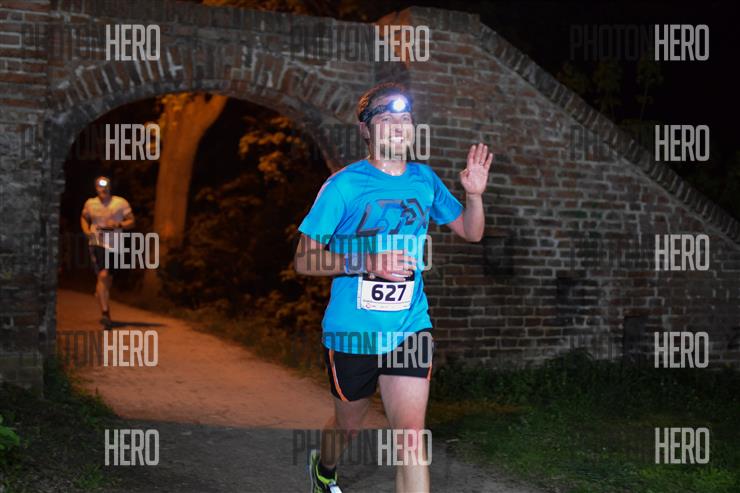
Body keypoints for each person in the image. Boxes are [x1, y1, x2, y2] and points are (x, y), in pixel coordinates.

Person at [295, 82, 492, 493]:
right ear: (366, 130)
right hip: (352, 331)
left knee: (411, 437)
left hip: (409, 326)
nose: (400, 125)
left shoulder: (424, 179)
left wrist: (474, 196)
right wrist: (368, 262)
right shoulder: (344, 186)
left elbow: (472, 232)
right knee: (348, 427)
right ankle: (324, 468)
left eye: (405, 117)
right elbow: (304, 259)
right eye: (387, 118)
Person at [80, 176, 135, 329]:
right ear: (95, 188)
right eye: (99, 186)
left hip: (115, 243)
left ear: (110, 187)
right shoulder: (90, 203)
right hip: (97, 242)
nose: (102, 190)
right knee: (103, 275)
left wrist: (119, 224)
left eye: (105, 187)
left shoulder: (120, 203)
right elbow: (84, 217)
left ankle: (100, 292)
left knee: (107, 279)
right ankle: (105, 313)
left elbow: (132, 221)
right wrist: (86, 231)